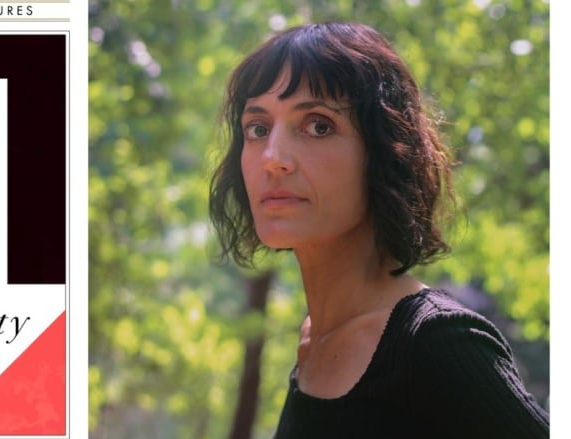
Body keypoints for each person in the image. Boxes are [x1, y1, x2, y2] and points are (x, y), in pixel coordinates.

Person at [209, 22, 549, 438]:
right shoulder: (314, 338)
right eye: (257, 129)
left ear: (384, 152)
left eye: (318, 126)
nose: (272, 157)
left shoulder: (435, 343)